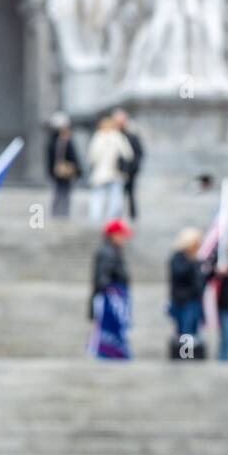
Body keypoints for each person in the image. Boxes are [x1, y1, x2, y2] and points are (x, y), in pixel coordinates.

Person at [89, 218, 133, 359]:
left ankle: (114, 352)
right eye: (121, 235)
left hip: (115, 295)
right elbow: (102, 277)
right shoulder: (107, 252)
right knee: (109, 328)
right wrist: (111, 291)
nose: (123, 239)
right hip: (111, 297)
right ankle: (109, 353)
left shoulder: (114, 250)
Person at [167, 227, 208, 356]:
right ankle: (185, 355)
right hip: (182, 300)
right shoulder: (178, 258)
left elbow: (200, 280)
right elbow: (179, 273)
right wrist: (194, 263)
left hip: (193, 299)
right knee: (185, 329)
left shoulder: (196, 259)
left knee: (192, 328)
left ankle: (189, 355)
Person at [86, 115, 133, 224]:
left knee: (97, 197)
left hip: (100, 173)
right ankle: (112, 220)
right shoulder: (118, 136)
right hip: (116, 172)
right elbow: (128, 154)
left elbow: (91, 157)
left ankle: (95, 219)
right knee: (115, 198)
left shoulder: (98, 137)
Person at [45, 111, 81, 219]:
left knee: (59, 192)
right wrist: (78, 170)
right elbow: (73, 156)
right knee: (63, 192)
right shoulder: (64, 141)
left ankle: (58, 213)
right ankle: (62, 214)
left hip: (58, 171)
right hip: (64, 171)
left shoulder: (52, 140)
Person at [112, 108, 145, 221]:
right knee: (116, 196)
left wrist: (134, 167)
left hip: (130, 171)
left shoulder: (132, 136)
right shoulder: (111, 135)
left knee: (130, 194)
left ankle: (132, 217)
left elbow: (139, 153)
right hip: (114, 172)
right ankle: (116, 218)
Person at [212, 233, 228, 362]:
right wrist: (218, 271)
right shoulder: (223, 254)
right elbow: (208, 274)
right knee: (226, 335)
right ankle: (223, 359)